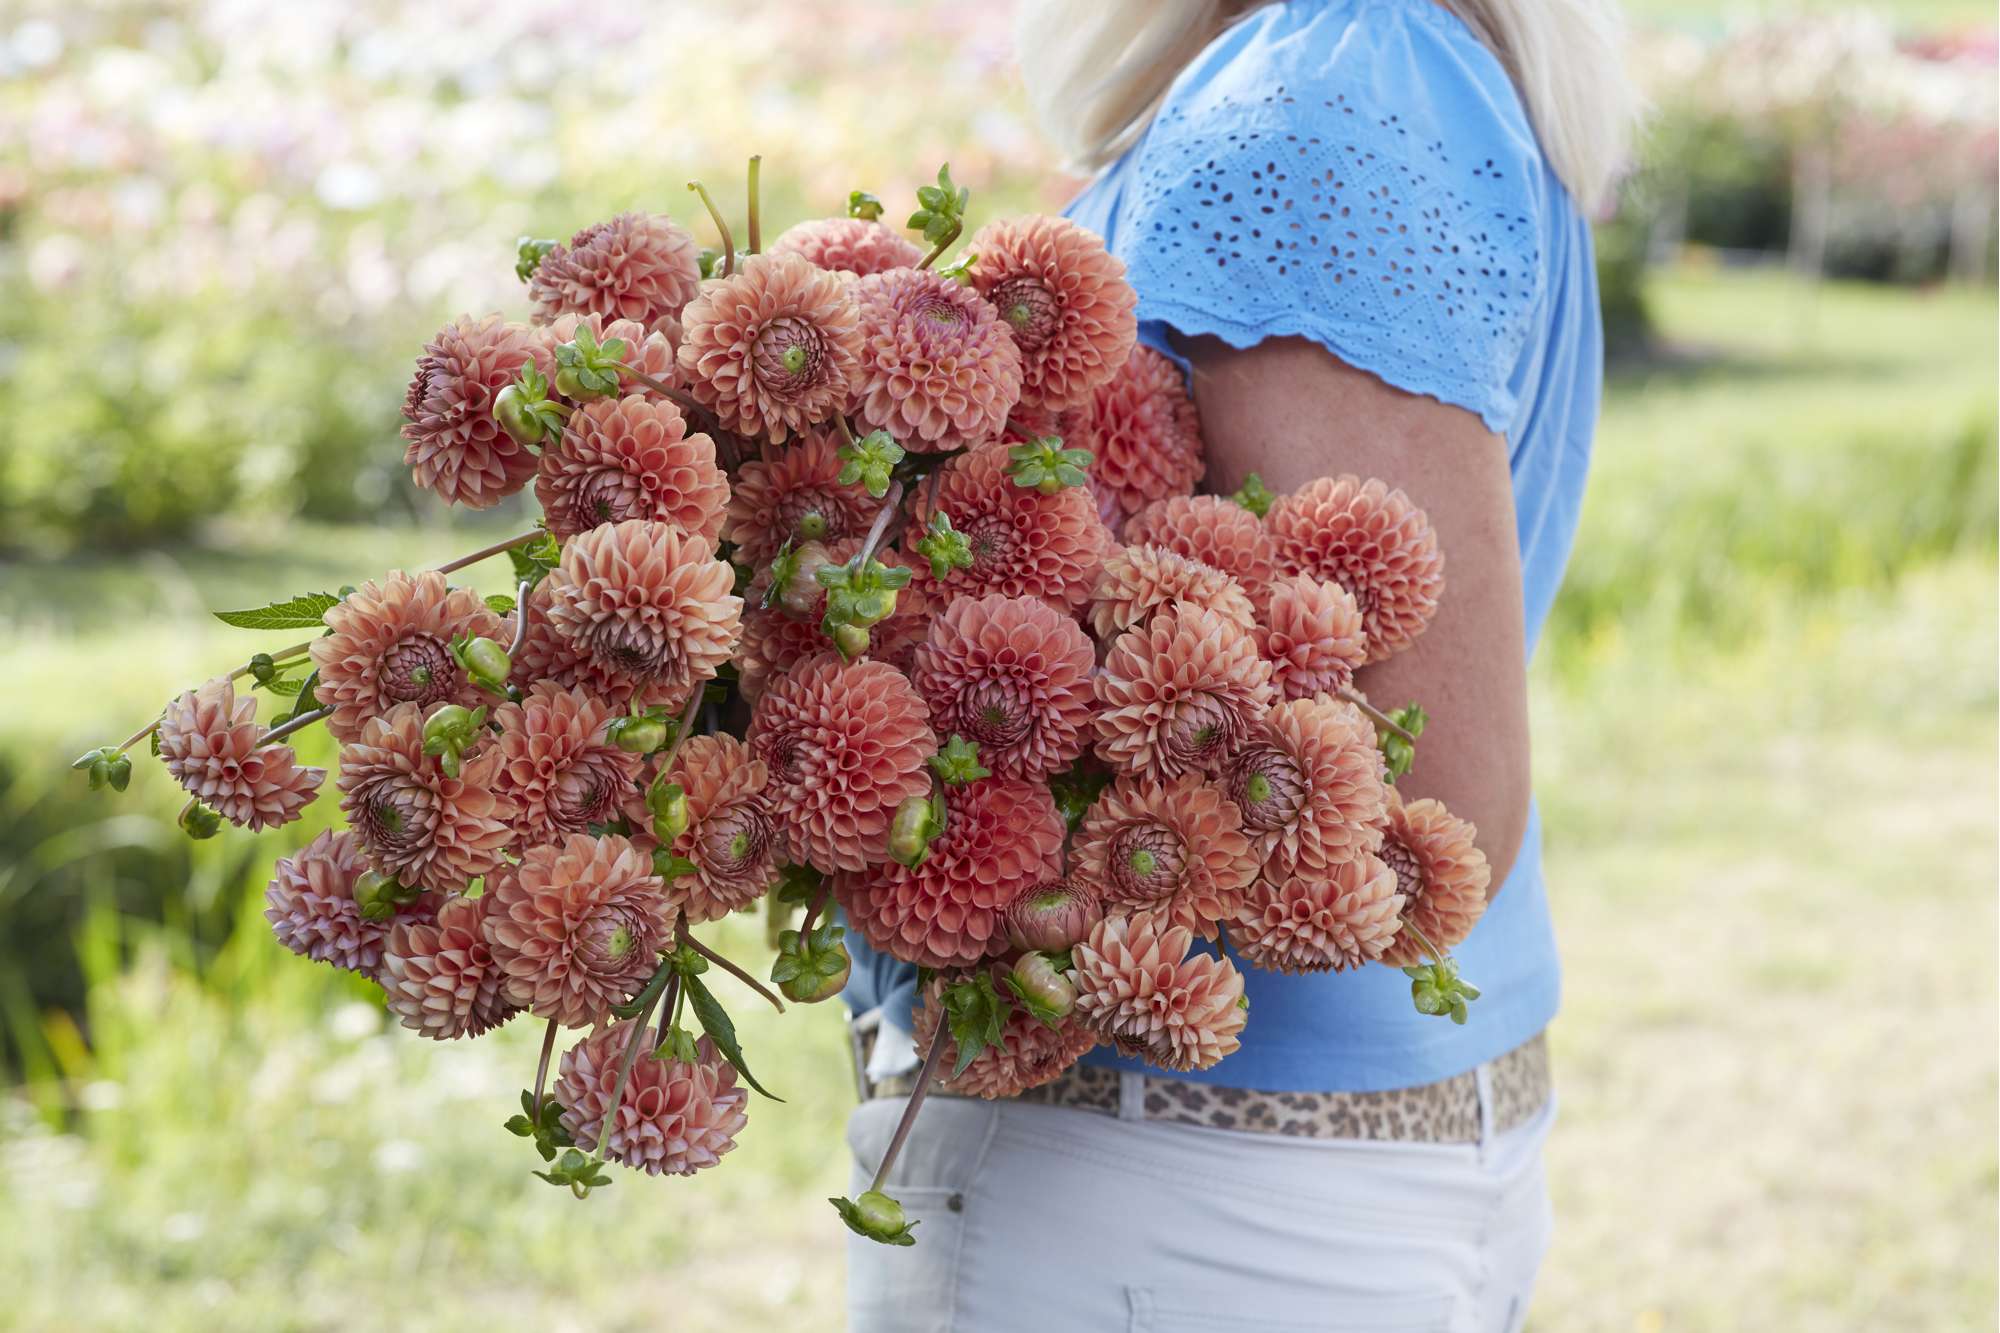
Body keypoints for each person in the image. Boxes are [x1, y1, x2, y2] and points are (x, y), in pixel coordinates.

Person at [843, 2, 1638, 1328]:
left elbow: (1416, 799)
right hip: (1272, 1181)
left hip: (1178, 1187)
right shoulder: (1368, 74)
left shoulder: (1332, 89)